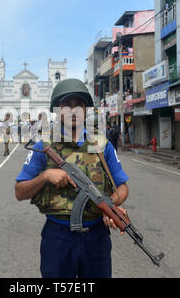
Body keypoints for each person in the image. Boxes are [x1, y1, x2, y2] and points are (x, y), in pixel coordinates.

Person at [15, 79, 130, 278]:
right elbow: (20, 192)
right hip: (57, 236)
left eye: (79, 104)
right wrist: (45, 176)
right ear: (58, 111)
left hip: (97, 237)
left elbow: (122, 187)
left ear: (85, 110)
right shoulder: (44, 145)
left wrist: (111, 205)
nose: (73, 109)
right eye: (66, 105)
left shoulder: (102, 145)